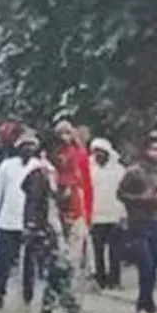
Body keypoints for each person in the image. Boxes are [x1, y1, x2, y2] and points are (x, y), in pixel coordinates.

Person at [21, 135, 89, 313]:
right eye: (57, 152)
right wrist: (33, 227)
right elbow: (34, 202)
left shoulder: (57, 174)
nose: (62, 156)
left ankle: (50, 310)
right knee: (60, 267)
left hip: (54, 226)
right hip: (43, 228)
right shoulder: (41, 174)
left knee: (58, 269)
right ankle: (70, 307)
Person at [118, 133, 157, 313]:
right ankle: (142, 305)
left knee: (153, 266)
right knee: (145, 264)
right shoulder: (134, 171)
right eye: (154, 149)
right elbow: (121, 194)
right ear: (146, 151)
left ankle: (148, 303)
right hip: (138, 223)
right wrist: (142, 199)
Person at [0, 131, 42, 310]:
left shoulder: (40, 167)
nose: (28, 149)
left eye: (32, 146)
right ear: (18, 148)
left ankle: (27, 297)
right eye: (25, 146)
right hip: (7, 221)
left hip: (30, 222)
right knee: (3, 261)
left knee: (28, 264)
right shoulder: (7, 166)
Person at [52, 121, 94, 282]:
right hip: (58, 205)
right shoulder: (53, 155)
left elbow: (87, 185)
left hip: (76, 206)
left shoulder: (80, 155)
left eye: (68, 133)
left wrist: (88, 213)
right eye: (61, 133)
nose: (65, 137)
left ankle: (72, 281)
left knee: (75, 249)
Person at [88, 137, 126, 290]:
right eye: (95, 152)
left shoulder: (119, 170)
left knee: (115, 250)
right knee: (97, 250)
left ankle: (115, 279)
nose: (98, 155)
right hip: (96, 216)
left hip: (114, 216)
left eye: (101, 152)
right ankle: (100, 278)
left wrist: (123, 215)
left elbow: (124, 194)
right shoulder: (90, 169)